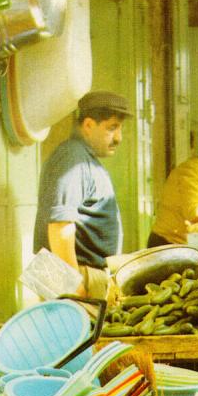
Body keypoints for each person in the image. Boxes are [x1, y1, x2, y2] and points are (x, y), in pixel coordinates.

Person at [33, 90, 132, 300]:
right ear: (88, 125)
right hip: (75, 273)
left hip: (76, 271)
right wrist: (74, 288)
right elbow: (60, 226)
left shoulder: (81, 157)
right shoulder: (73, 158)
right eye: (112, 128)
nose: (119, 138)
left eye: (120, 128)